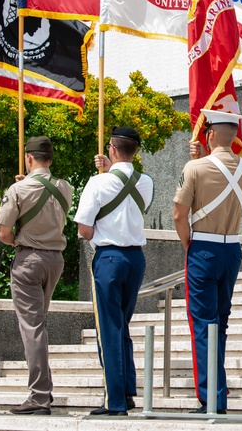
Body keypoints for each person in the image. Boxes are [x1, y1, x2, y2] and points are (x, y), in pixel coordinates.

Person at [174, 109, 242, 414]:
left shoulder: (195, 168)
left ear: (209, 136)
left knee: (204, 324)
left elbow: (180, 214)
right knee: (220, 324)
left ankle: (211, 397)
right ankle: (217, 393)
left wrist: (189, 244)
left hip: (204, 248)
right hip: (232, 248)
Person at [75, 126, 153, 416]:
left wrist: (104, 174)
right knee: (122, 325)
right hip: (136, 259)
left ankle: (114, 400)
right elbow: (128, 193)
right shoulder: (146, 182)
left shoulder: (97, 184)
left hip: (109, 257)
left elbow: (84, 229)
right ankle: (126, 390)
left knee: (108, 329)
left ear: (111, 148)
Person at [0, 136, 73, 415]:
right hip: (55, 259)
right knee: (38, 325)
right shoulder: (65, 187)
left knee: (32, 328)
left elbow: (4, 234)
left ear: (29, 158)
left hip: (28, 258)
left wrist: (20, 188)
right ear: (50, 159)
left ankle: (39, 396)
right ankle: (44, 391)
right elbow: (46, 191)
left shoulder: (18, 189)